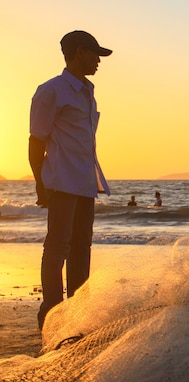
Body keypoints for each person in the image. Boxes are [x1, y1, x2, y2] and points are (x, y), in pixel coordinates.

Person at [28, 30, 113, 330]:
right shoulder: (52, 90)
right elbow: (36, 140)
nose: (98, 61)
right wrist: (40, 184)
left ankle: (78, 314)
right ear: (79, 52)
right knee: (57, 247)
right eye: (94, 54)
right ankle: (51, 313)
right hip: (61, 181)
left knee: (82, 247)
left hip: (84, 182)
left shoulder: (88, 91)